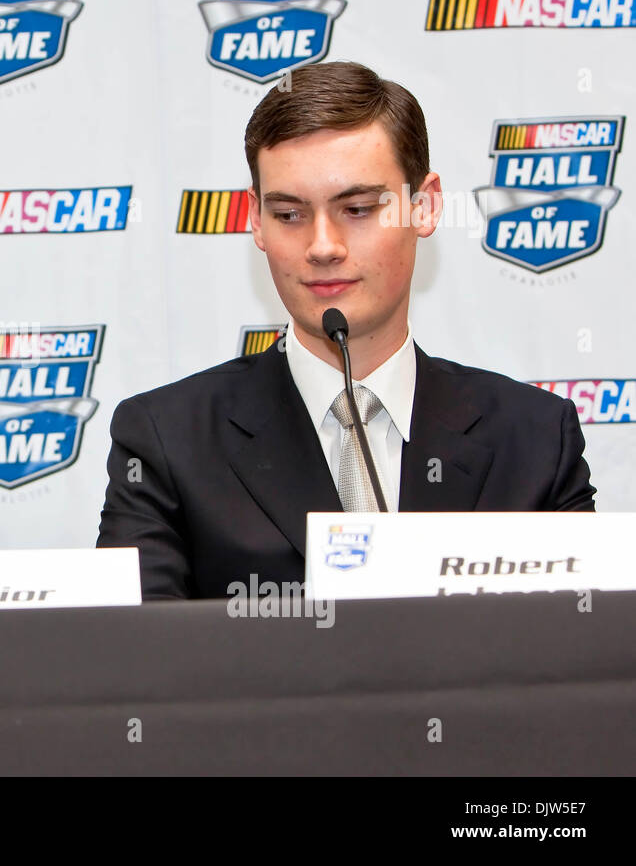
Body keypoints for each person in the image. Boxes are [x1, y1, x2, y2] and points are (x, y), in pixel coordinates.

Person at [96, 62, 596, 600]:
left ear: (424, 207)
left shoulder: (536, 438)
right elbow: (136, 665)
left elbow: (580, 658)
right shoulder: (166, 438)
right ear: (256, 221)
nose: (323, 246)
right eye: (288, 214)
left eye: (357, 208)